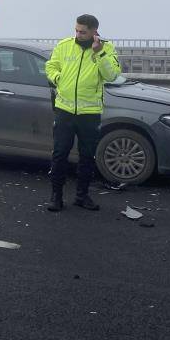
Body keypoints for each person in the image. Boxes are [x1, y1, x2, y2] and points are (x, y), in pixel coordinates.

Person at [44, 14, 121, 212]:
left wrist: (99, 53)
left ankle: (82, 195)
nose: (78, 34)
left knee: (87, 156)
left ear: (94, 31)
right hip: (64, 110)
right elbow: (50, 65)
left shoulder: (107, 48)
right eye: (76, 30)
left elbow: (111, 75)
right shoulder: (64, 45)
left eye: (83, 32)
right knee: (59, 154)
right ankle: (56, 196)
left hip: (90, 112)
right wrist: (57, 78)